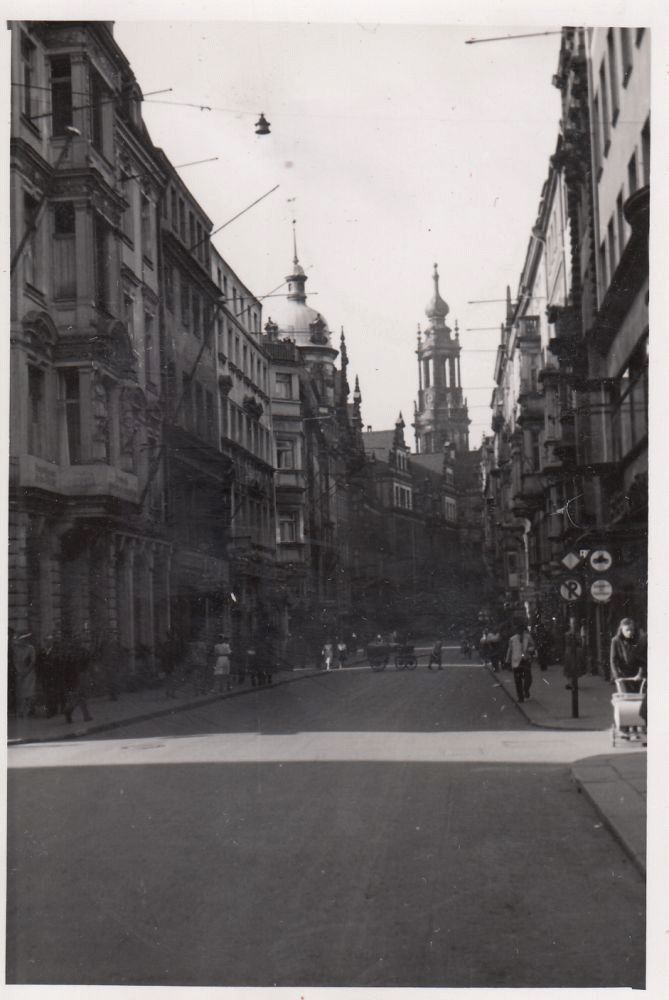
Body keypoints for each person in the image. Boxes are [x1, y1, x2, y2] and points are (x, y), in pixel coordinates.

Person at [62, 634, 93, 724]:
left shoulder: (70, 653)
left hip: (75, 676)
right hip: (79, 676)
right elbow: (87, 665)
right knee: (79, 696)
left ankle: (82, 714)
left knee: (79, 696)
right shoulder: (83, 652)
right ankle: (71, 712)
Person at [610, 618, 646, 692]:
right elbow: (613, 661)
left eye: (631, 630)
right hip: (622, 676)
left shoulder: (637, 640)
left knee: (638, 699)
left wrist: (640, 674)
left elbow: (642, 660)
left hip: (636, 676)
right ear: (621, 630)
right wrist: (617, 677)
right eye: (627, 630)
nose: (629, 632)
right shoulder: (616, 641)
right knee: (625, 698)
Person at [505, 622, 535, 703]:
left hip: (526, 660)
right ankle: (520, 696)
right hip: (516, 661)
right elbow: (510, 650)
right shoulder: (512, 639)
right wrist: (507, 660)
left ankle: (525, 689)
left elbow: (533, 646)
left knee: (528, 678)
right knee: (518, 680)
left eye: (522, 631)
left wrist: (529, 649)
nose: (521, 633)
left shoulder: (528, 637)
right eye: (519, 631)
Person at [13, 632, 37, 718]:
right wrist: (19, 671)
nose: (22, 641)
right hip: (20, 672)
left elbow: (33, 661)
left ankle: (29, 709)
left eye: (23, 639)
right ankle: (21, 711)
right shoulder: (16, 649)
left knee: (29, 692)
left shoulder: (31, 648)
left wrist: (26, 671)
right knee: (21, 692)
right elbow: (15, 661)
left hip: (29, 673)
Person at [563, 618, 585, 690]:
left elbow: (580, 642)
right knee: (569, 668)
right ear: (570, 624)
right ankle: (571, 683)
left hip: (575, 652)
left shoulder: (577, 633)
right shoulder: (568, 634)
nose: (573, 625)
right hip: (569, 652)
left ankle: (573, 684)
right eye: (572, 623)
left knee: (575, 668)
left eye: (574, 623)